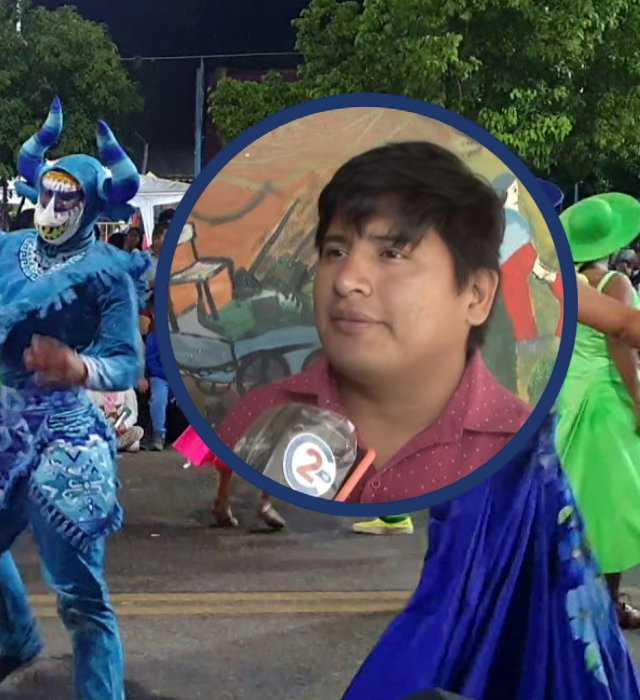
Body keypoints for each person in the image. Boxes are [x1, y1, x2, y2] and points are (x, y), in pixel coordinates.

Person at [339, 274, 640, 700]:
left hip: (512, 485)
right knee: (477, 604)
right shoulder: (529, 277)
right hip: (498, 485)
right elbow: (625, 325)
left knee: (488, 604)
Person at [194, 141, 530, 505]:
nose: (346, 280)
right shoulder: (255, 417)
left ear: (476, 295)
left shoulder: (527, 451)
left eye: (391, 254)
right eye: (336, 251)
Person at [0, 98, 149, 700]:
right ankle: (17, 639)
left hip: (67, 439)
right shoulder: (14, 249)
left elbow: (127, 362)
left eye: (68, 201)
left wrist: (76, 367)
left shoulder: (108, 271)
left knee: (81, 599)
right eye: (48, 195)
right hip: (7, 429)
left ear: (92, 207)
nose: (53, 208)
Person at [555, 192, 640, 628]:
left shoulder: (564, 284)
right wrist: (639, 400)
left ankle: (564, 601)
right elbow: (622, 345)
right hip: (604, 403)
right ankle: (607, 604)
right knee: (612, 511)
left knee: (568, 505)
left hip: (564, 398)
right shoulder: (615, 285)